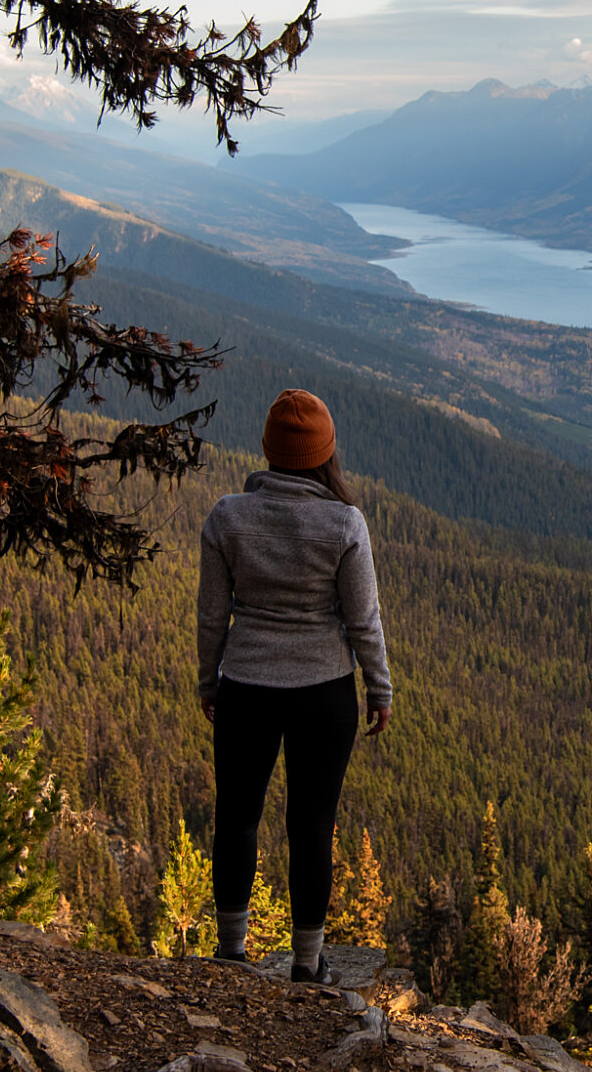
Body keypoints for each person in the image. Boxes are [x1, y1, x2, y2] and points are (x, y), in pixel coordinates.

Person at [197, 389, 392, 984]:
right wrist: (379, 688)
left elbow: (212, 614)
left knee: (236, 818)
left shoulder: (228, 516)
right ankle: (308, 965)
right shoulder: (343, 522)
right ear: (326, 453)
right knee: (312, 826)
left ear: (269, 449)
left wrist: (210, 678)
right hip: (324, 692)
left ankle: (232, 955)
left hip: (245, 686)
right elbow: (363, 618)